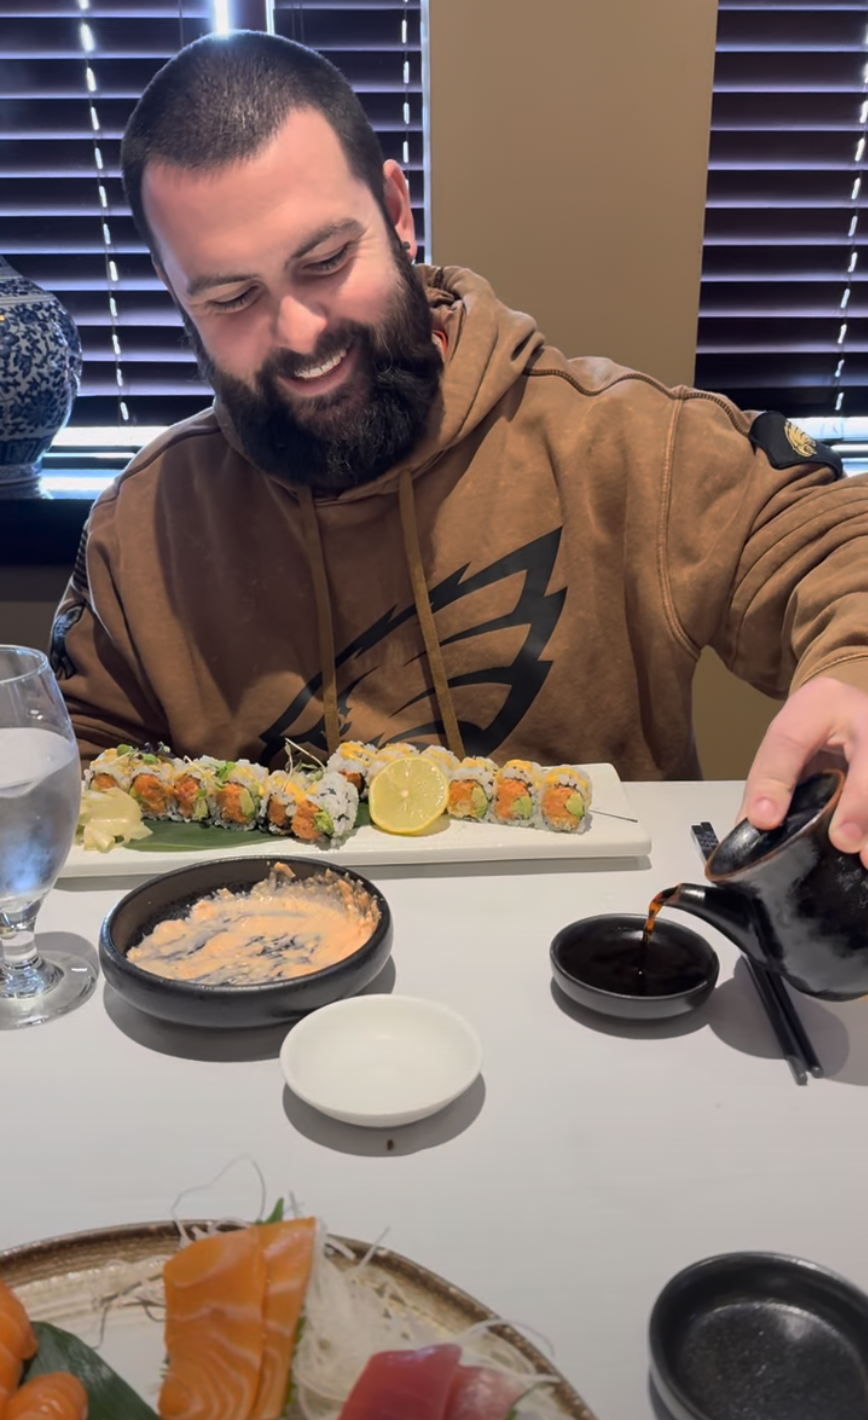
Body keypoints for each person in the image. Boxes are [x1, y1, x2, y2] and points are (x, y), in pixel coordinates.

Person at [51, 30, 868, 866]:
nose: (300, 334)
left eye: (327, 260)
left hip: (592, 971)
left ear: (398, 213)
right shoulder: (142, 528)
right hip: (269, 969)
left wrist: (857, 672)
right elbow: (78, 766)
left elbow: (824, 538)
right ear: (179, 302)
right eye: (231, 297)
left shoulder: (620, 443)